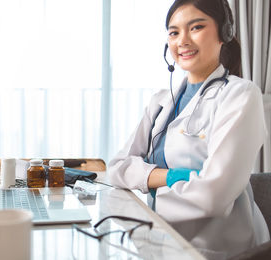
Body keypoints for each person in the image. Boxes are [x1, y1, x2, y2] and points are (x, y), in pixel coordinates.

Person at [108, 0, 270, 259]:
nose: (182, 40)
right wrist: (173, 177)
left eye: (196, 27)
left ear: (223, 34)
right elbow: (116, 168)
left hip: (216, 249)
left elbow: (213, 197)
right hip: (159, 240)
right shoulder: (160, 101)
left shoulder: (240, 95)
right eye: (174, 32)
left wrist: (144, 185)